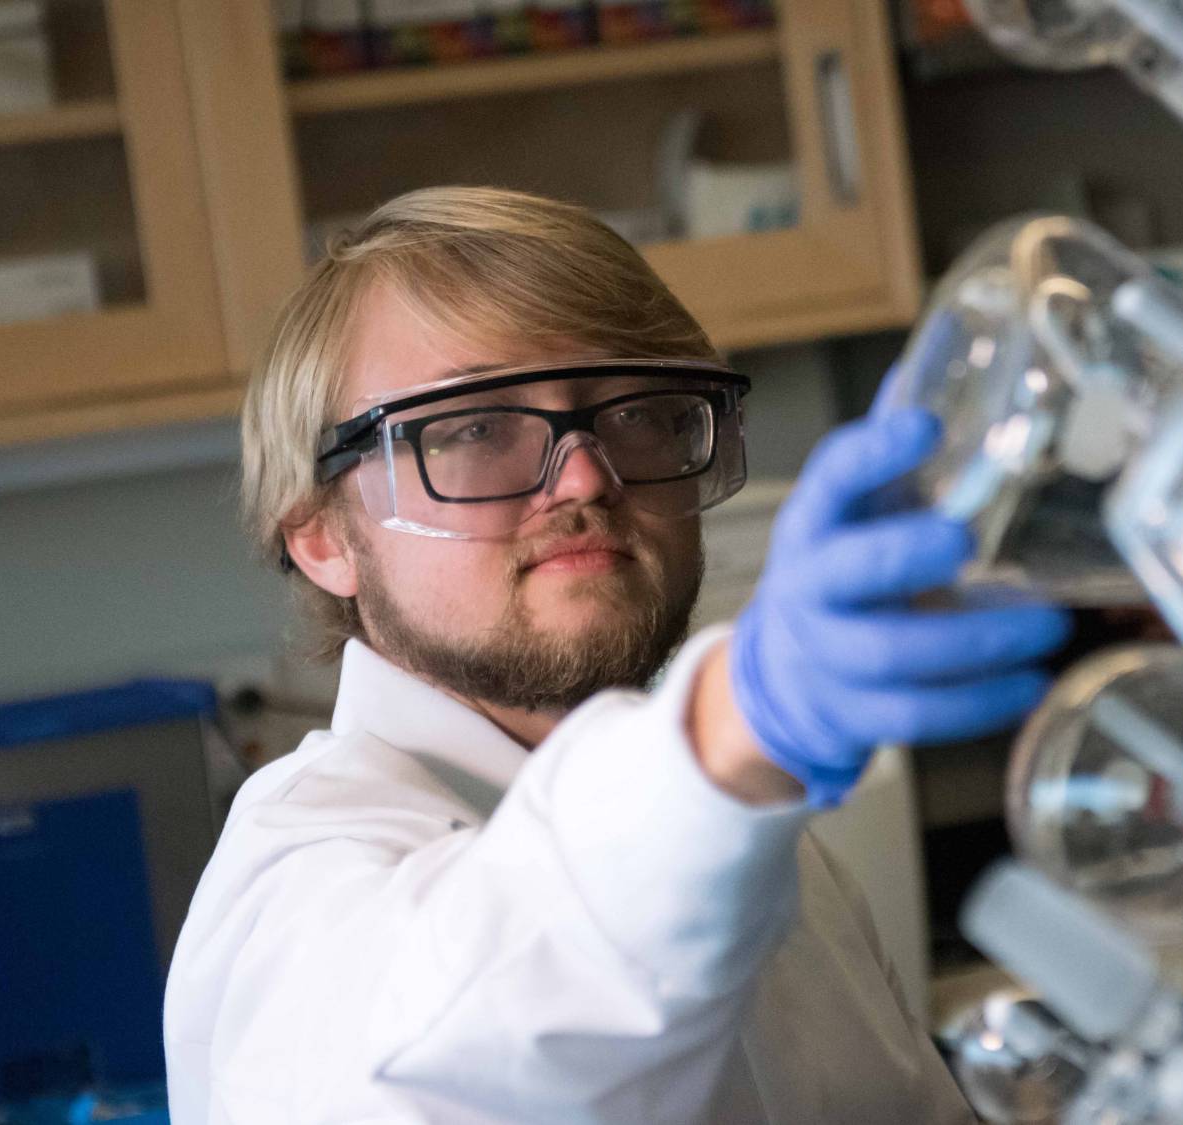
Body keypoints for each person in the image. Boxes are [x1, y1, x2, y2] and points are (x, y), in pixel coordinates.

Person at [161, 186, 1072, 1123]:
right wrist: (735, 723)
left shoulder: (772, 851)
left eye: (637, 413)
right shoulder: (296, 886)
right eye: (474, 428)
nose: (588, 474)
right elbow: (459, 1059)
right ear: (324, 539)